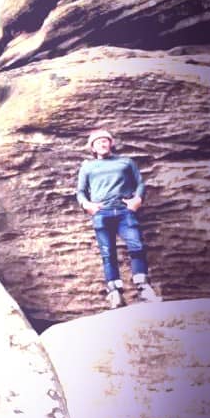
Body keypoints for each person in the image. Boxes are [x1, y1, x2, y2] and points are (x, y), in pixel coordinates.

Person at [76, 128, 160, 309]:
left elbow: (140, 183)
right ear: (92, 147)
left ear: (111, 143)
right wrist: (86, 205)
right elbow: (80, 191)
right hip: (102, 214)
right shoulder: (87, 167)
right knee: (108, 253)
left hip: (124, 211)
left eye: (105, 140)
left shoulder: (125, 162)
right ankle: (115, 294)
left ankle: (144, 288)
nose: (102, 144)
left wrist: (137, 200)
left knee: (137, 246)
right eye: (98, 142)